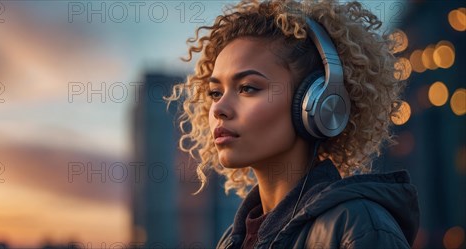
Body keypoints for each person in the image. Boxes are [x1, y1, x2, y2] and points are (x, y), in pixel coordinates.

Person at [166, 0, 420, 248]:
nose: (219, 109)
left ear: (317, 101)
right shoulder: (232, 240)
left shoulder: (358, 227)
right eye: (215, 93)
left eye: (247, 88)